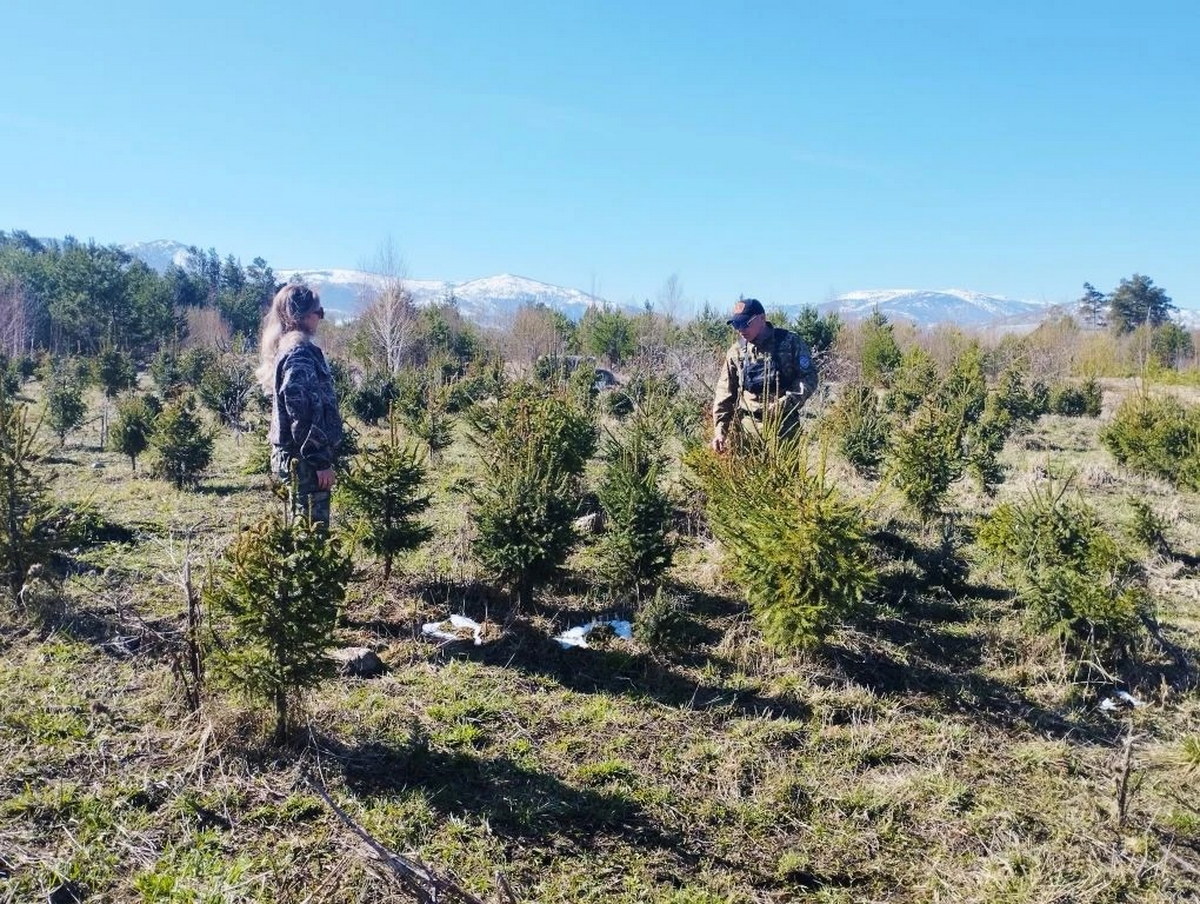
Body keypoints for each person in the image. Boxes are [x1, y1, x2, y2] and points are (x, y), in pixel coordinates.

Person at [257, 283, 343, 526]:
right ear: (303, 316)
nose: (320, 318)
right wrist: (320, 461)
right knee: (311, 529)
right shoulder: (300, 354)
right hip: (304, 460)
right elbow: (301, 413)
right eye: (319, 312)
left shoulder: (290, 349)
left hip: (298, 457)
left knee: (301, 522)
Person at [711, 298, 818, 453]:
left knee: (784, 469)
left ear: (762, 318)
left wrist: (787, 401)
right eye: (736, 324)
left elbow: (809, 377)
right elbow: (724, 393)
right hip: (748, 427)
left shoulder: (790, 342)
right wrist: (720, 431)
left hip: (783, 425)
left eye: (745, 323)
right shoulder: (736, 352)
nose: (740, 329)